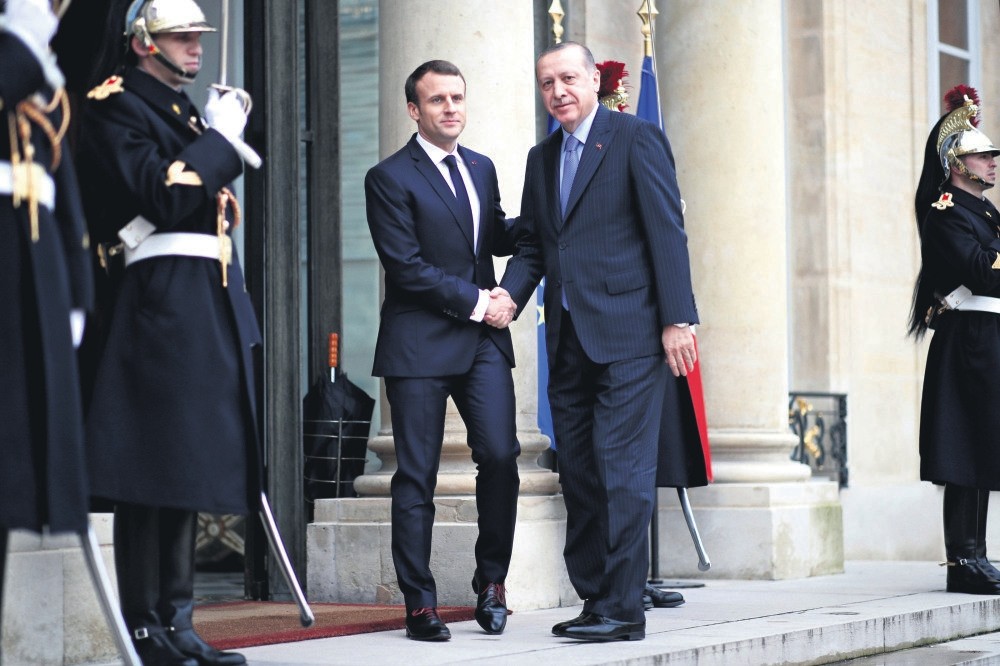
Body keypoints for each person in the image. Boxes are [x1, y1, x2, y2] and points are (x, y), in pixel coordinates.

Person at [74, 1, 261, 664]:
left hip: (199, 301)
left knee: (185, 466)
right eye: (182, 35)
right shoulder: (115, 103)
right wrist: (221, 141)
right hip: (153, 303)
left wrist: (213, 138)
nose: (195, 45)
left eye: (198, 35)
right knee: (150, 472)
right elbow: (165, 195)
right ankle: (146, 627)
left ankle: (180, 622)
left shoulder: (182, 111)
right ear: (143, 42)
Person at [500, 42, 699, 642]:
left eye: (567, 78)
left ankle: (623, 609)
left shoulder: (634, 137)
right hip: (567, 340)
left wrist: (678, 319)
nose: (557, 91)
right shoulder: (541, 158)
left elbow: (666, 230)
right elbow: (536, 243)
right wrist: (509, 295)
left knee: (621, 470)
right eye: (546, 83)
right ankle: (596, 598)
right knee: (581, 473)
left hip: (631, 336)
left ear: (592, 79)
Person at [364, 59, 521, 641]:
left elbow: (493, 234)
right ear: (414, 110)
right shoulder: (388, 177)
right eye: (437, 101)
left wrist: (555, 220)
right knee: (417, 476)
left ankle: (492, 583)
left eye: (457, 97)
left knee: (502, 458)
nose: (450, 108)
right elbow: (406, 269)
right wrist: (484, 302)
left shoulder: (480, 167)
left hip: (480, 344)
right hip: (419, 342)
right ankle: (420, 603)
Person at [0, 0, 94, 635]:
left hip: (29, 292)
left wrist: (77, 294)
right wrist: (20, 46)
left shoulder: (37, 98)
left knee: (11, 491)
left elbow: (63, 201)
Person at [909, 84, 1000, 596]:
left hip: (988, 336)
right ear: (957, 164)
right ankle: (962, 560)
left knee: (985, 444)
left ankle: (979, 554)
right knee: (966, 445)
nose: (991, 163)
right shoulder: (946, 214)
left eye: (990, 155)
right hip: (968, 338)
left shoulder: (986, 215)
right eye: (982, 156)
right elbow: (980, 272)